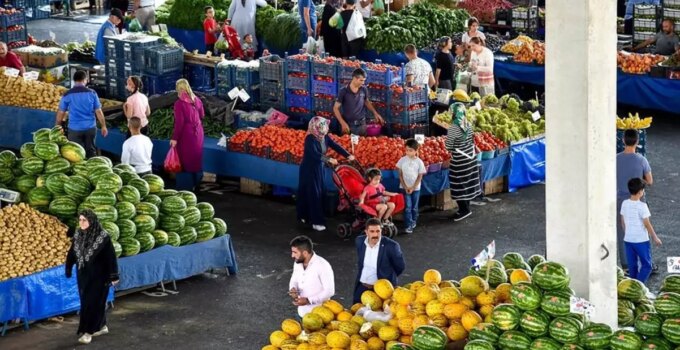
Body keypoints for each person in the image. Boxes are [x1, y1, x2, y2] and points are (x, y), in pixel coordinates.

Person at [65, 209, 119, 345]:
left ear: (92, 221)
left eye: (85, 220)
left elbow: (110, 257)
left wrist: (114, 276)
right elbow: (72, 252)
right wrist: (68, 267)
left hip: (100, 277)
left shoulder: (103, 237)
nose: (81, 222)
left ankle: (88, 332)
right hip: (83, 276)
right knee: (88, 302)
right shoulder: (78, 234)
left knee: (93, 304)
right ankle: (102, 326)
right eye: (80, 220)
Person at [297, 117, 354, 231]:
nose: (324, 131)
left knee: (320, 191)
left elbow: (335, 145)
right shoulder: (310, 139)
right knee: (314, 193)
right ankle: (316, 222)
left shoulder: (325, 137)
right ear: (315, 128)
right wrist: (328, 159)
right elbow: (314, 154)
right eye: (321, 128)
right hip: (309, 170)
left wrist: (347, 155)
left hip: (320, 168)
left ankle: (306, 215)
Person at [616, 129, 653, 271]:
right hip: (639, 199)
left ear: (623, 140)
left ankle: (626, 265)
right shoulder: (641, 159)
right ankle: (645, 262)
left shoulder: (616, 159)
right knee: (643, 229)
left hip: (621, 199)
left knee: (623, 231)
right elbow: (649, 181)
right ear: (637, 142)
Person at [55, 71, 108, 158]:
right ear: (85, 80)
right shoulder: (92, 93)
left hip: (74, 129)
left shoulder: (67, 94)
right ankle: (93, 168)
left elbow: (61, 112)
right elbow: (98, 111)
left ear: (74, 80)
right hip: (90, 128)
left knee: (76, 155)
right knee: (91, 152)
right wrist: (103, 126)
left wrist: (57, 127)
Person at [353, 218, 405, 303]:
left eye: (378, 231)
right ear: (366, 232)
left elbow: (400, 267)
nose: (375, 234)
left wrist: (389, 278)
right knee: (356, 311)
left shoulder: (391, 246)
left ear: (381, 231)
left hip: (382, 291)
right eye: (372, 231)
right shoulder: (360, 241)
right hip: (362, 286)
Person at [620, 178, 662, 284]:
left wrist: (628, 233)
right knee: (647, 265)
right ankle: (638, 285)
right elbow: (647, 224)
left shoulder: (624, 203)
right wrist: (655, 237)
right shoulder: (642, 206)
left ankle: (632, 285)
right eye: (643, 190)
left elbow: (622, 221)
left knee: (632, 265)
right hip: (641, 241)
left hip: (628, 240)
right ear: (640, 192)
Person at [445, 102, 481, 221]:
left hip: (460, 162)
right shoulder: (467, 123)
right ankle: (465, 208)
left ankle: (464, 210)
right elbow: (471, 140)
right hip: (471, 159)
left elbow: (449, 146)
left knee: (458, 185)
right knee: (468, 183)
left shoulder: (453, 128)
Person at [171, 79, 205, 192]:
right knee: (196, 157)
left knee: (184, 159)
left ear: (178, 89)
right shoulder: (197, 99)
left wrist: (174, 138)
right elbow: (202, 115)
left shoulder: (179, 104)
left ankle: (185, 187)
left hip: (187, 134)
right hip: (198, 133)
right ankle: (197, 182)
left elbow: (179, 123)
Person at [288, 235, 335, 317]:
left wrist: (308, 300)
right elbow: (294, 279)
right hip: (302, 312)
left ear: (305, 253)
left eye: (295, 252)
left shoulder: (323, 265)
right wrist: (293, 288)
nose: (292, 255)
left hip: (320, 315)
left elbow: (329, 291)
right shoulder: (297, 263)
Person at [334, 68, 384, 136]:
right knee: (349, 145)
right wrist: (342, 123)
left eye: (364, 80)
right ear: (354, 78)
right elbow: (335, 108)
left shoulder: (363, 89)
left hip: (362, 125)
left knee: (362, 145)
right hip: (349, 126)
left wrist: (375, 113)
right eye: (361, 80)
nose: (363, 83)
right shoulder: (343, 91)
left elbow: (366, 101)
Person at [396, 139, 426, 234]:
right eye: (407, 150)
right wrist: (405, 187)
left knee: (414, 207)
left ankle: (413, 220)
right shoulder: (402, 160)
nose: (408, 152)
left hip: (416, 188)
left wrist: (413, 187)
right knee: (408, 207)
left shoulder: (419, 162)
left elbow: (420, 176)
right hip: (404, 187)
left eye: (411, 150)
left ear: (416, 151)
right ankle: (408, 225)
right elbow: (400, 175)